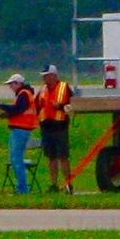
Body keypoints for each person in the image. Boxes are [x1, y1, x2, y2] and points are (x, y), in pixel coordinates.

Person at [35, 64, 75, 193]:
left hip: (60, 127)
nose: (44, 78)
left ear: (53, 75)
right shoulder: (42, 90)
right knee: (51, 157)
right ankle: (54, 185)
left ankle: (68, 184)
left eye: (46, 76)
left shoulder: (64, 87)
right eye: (43, 76)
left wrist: (61, 106)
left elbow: (73, 104)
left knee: (63, 157)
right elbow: (37, 105)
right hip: (46, 127)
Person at [0, 73, 39, 194]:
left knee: (17, 159)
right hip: (21, 128)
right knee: (15, 159)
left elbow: (18, 109)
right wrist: (7, 114)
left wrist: (2, 106)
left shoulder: (24, 94)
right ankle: (21, 187)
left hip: (21, 129)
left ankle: (22, 189)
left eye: (12, 84)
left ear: (18, 83)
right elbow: (19, 111)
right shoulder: (25, 94)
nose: (10, 86)